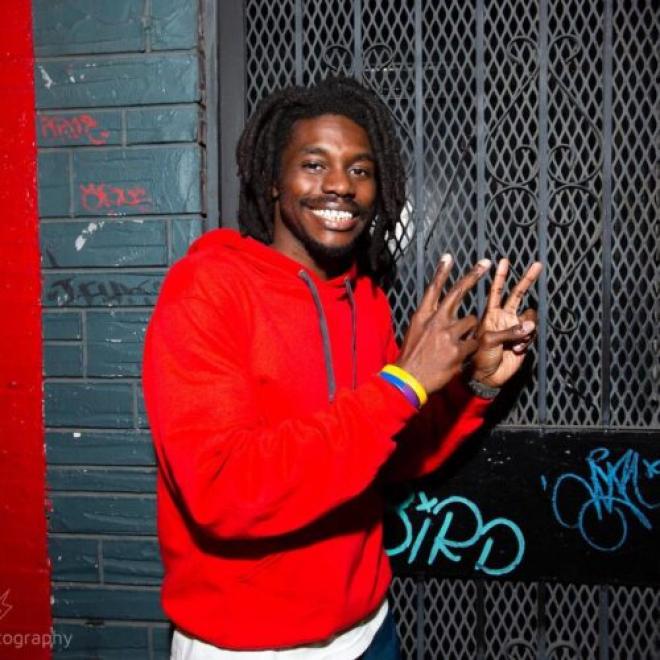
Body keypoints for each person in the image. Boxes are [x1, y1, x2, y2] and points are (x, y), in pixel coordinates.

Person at [142, 75, 542, 659]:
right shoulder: (207, 290)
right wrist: (402, 384)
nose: (340, 185)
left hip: (368, 631)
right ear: (272, 180)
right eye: (314, 164)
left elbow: (394, 453)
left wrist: (474, 386)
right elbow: (222, 492)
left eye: (360, 169)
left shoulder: (366, 299)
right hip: (247, 646)